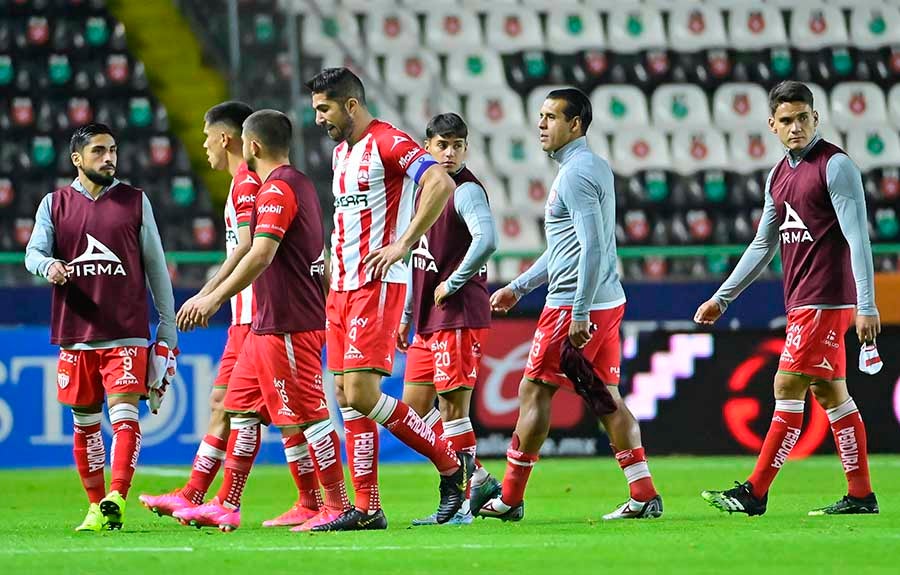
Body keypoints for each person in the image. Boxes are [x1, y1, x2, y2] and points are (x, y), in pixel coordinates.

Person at [475, 88, 663, 522]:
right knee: (606, 398)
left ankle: (509, 498)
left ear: (575, 124)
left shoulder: (575, 175)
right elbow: (567, 247)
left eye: (551, 117)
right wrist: (519, 287)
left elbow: (593, 246)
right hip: (608, 299)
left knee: (533, 391)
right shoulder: (592, 166)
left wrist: (578, 311)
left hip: (575, 305)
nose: (541, 124)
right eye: (540, 116)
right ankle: (643, 493)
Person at [697, 81, 880, 516]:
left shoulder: (834, 166)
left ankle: (755, 492)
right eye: (786, 121)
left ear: (815, 118)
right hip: (801, 301)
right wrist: (722, 299)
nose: (795, 127)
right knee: (832, 394)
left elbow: (859, 240)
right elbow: (763, 246)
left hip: (824, 300)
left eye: (802, 118)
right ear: (772, 125)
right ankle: (860, 495)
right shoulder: (778, 176)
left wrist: (867, 304)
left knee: (786, 384)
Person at [306, 67, 470, 530]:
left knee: (361, 392)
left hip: (377, 285)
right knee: (344, 395)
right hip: (341, 288)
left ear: (350, 105)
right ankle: (368, 507)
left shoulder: (388, 141)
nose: (319, 118)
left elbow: (439, 182)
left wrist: (403, 242)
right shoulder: (341, 153)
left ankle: (452, 465)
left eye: (324, 108)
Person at [172, 110, 350, 532]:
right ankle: (228, 504)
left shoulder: (276, 189)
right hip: (270, 322)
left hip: (288, 320)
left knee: (309, 416)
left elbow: (261, 252)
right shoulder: (299, 183)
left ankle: (338, 505)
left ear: (251, 146)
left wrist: (213, 297)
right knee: (241, 410)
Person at [24, 123, 177, 531]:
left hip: (125, 331)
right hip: (76, 332)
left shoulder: (134, 202)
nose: (109, 158)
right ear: (77, 159)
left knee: (125, 415)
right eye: (98, 151)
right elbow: (32, 252)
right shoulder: (54, 204)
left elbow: (156, 268)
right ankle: (96, 506)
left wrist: (168, 330)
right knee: (85, 424)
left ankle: (117, 496)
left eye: (112, 150)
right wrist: (48, 265)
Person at [396, 113, 500, 526]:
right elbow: (416, 256)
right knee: (414, 411)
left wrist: (454, 282)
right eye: (443, 145)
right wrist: (407, 313)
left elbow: (487, 239)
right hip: (427, 318)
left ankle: (460, 503)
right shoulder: (425, 192)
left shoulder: (465, 191)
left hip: (456, 314)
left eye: (458, 145)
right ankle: (478, 478)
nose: (450, 153)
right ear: (427, 147)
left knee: (453, 409)